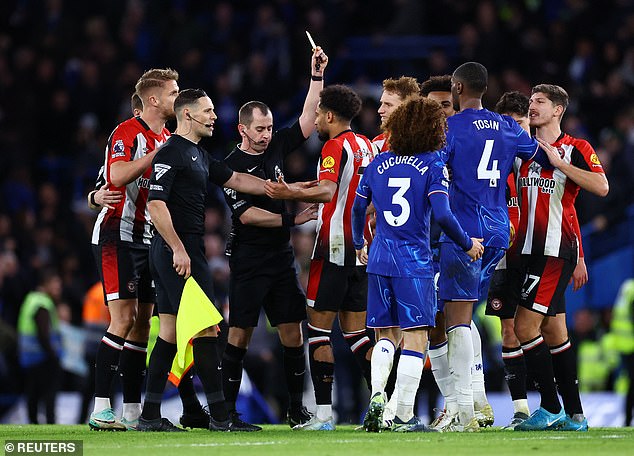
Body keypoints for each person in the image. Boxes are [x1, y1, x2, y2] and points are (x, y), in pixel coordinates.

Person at [138, 88, 268, 432]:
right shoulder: (170, 152)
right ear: (188, 115)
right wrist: (179, 249)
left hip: (180, 250)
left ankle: (150, 414)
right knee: (208, 328)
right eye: (208, 111)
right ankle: (221, 416)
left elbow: (236, 179)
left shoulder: (198, 154)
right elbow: (155, 203)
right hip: (177, 251)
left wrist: (277, 189)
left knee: (168, 333)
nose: (214, 116)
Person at [352, 97, 483, 432]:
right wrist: (468, 244)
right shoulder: (433, 166)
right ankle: (404, 415)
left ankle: (378, 397)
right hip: (414, 263)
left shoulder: (379, 162)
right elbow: (442, 214)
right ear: (430, 129)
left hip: (379, 258)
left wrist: (358, 243)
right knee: (415, 338)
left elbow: (357, 208)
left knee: (384, 335)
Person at [89, 69, 206, 431]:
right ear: (153, 99)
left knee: (141, 328)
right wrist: (156, 155)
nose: (178, 98)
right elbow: (115, 176)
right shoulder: (126, 133)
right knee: (122, 320)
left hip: (148, 241)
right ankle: (100, 408)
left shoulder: (169, 137)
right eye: (173, 93)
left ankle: (133, 411)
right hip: (117, 235)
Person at [220, 46, 327, 430]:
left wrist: (316, 77)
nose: (267, 135)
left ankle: (296, 408)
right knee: (239, 334)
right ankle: (228, 413)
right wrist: (293, 220)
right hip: (248, 259)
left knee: (292, 332)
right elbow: (246, 215)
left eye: (269, 128)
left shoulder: (279, 144)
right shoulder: (230, 166)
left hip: (279, 259)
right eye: (259, 129)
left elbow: (308, 119)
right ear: (242, 129)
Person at [439, 62, 549, 431]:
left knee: (457, 318)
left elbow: (434, 173)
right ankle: (474, 404)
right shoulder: (506, 125)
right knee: (463, 313)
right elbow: (538, 156)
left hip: (466, 232)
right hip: (500, 230)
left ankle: (469, 409)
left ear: (457, 88)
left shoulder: (450, 128)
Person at [264, 85, 375, 431]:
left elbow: (327, 190)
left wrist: (289, 190)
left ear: (329, 115)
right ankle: (382, 406)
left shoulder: (333, 145)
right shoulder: (367, 146)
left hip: (333, 248)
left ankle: (324, 416)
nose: (314, 119)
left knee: (318, 331)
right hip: (361, 249)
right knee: (357, 336)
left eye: (317, 114)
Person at [513, 84, 609, 431]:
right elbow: (565, 211)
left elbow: (601, 186)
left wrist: (559, 164)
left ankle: (550, 407)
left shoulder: (576, 148)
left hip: (554, 252)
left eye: (539, 102)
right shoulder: (523, 149)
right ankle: (577, 416)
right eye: (531, 101)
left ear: (558, 110)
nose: (532, 106)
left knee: (524, 326)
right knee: (554, 332)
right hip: (530, 251)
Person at [419, 75, 493, 431]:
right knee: (434, 323)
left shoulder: (465, 140)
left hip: (455, 241)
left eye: (445, 106)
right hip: (422, 245)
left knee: (457, 317)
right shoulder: (412, 147)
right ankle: (458, 404)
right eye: (433, 107)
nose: (441, 114)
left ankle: (470, 402)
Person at [17, 268, 64, 424]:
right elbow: (43, 334)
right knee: (48, 395)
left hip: (29, 357)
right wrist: (53, 355)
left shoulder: (30, 298)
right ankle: (50, 423)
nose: (59, 289)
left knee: (33, 393)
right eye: (56, 285)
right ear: (46, 283)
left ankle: (33, 423)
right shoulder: (42, 303)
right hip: (43, 358)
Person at [372, 76, 420, 154]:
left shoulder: (426, 143)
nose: (380, 110)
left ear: (407, 108)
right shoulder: (377, 144)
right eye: (382, 103)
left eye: (388, 105)